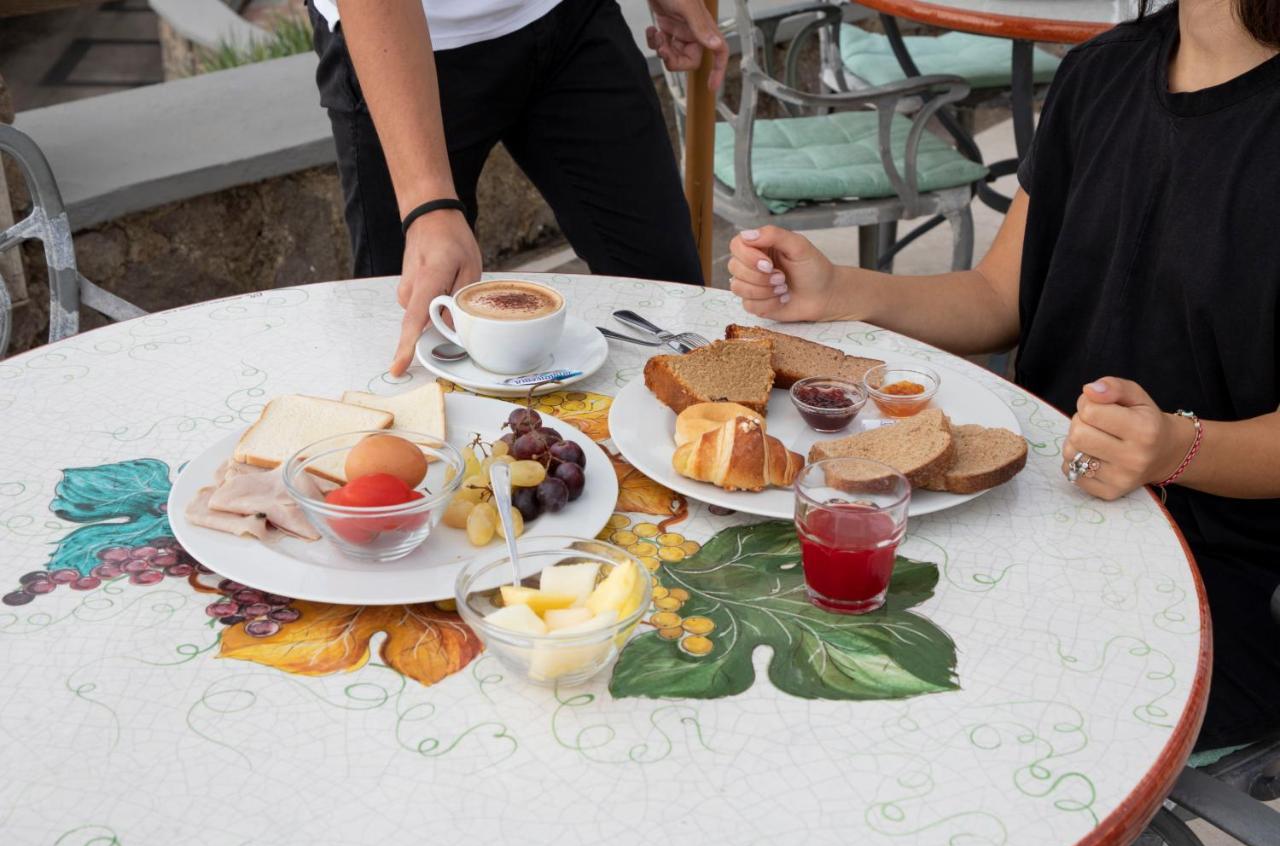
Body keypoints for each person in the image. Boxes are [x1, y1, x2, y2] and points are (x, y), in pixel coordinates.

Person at [726, 0, 1280, 749]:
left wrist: (1177, 447)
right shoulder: (1099, 74)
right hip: (1023, 512)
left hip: (1208, 587)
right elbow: (997, 297)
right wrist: (839, 291)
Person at [306, 0, 727, 374]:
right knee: (416, 347)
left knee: (668, 299)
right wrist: (427, 203)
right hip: (403, 45)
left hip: (571, 18)